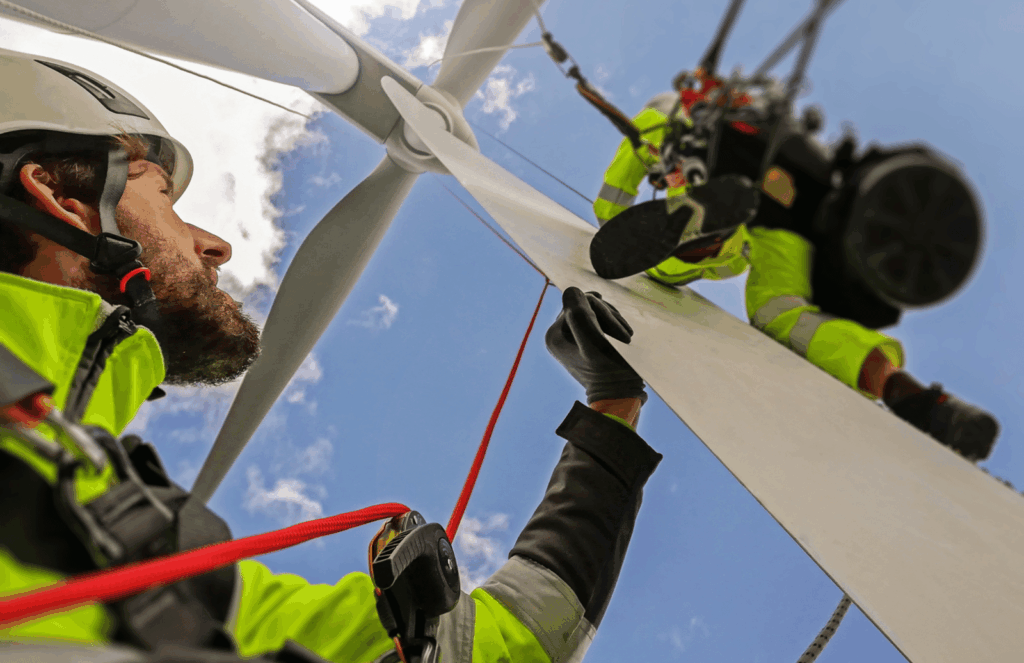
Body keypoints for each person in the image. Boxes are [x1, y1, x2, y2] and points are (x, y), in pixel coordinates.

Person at [0, 48, 662, 661]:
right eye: (163, 196)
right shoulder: (121, 539)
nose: (215, 245)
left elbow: (507, 643)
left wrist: (612, 408)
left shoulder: (137, 551)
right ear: (61, 199)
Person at [592, 89, 999, 463]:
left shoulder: (658, 123)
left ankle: (703, 231)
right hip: (791, 200)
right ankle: (908, 394)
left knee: (661, 268)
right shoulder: (757, 110)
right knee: (783, 316)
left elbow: (611, 209)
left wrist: (615, 218)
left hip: (732, 184)